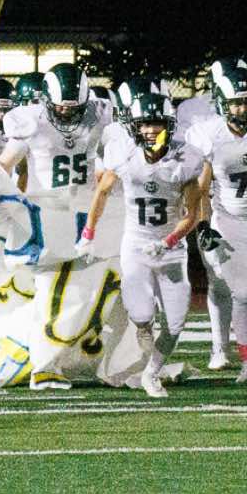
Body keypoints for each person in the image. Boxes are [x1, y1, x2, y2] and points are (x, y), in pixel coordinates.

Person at [0, 64, 111, 389]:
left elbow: (112, 157)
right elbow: (4, 165)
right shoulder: (31, 121)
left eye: (74, 107)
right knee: (51, 291)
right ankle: (43, 366)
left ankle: (101, 361)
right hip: (47, 215)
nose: (67, 113)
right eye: (61, 107)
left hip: (87, 212)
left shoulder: (101, 114)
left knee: (94, 290)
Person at [87, 91, 205, 399]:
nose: (151, 130)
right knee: (140, 315)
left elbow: (193, 214)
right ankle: (146, 349)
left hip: (172, 251)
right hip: (136, 246)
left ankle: (151, 373)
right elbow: (101, 193)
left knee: (176, 323)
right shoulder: (123, 155)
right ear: (134, 126)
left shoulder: (185, 159)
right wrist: (87, 233)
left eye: (156, 123)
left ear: (168, 125)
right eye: (144, 124)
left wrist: (168, 242)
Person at [184, 59, 247, 384]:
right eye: (236, 103)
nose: (243, 109)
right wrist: (203, 226)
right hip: (231, 222)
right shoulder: (208, 134)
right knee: (243, 293)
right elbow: (200, 188)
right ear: (221, 103)